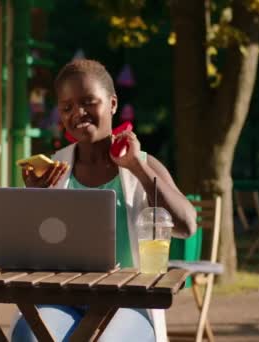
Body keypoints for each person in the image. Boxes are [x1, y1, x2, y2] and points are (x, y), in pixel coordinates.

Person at [12, 59, 197, 342]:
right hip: (61, 297)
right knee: (30, 336)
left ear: (112, 104)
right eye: (67, 107)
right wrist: (34, 200)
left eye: (88, 102)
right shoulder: (53, 169)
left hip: (128, 300)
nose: (78, 113)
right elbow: (25, 252)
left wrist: (138, 168)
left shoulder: (143, 165)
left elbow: (186, 225)